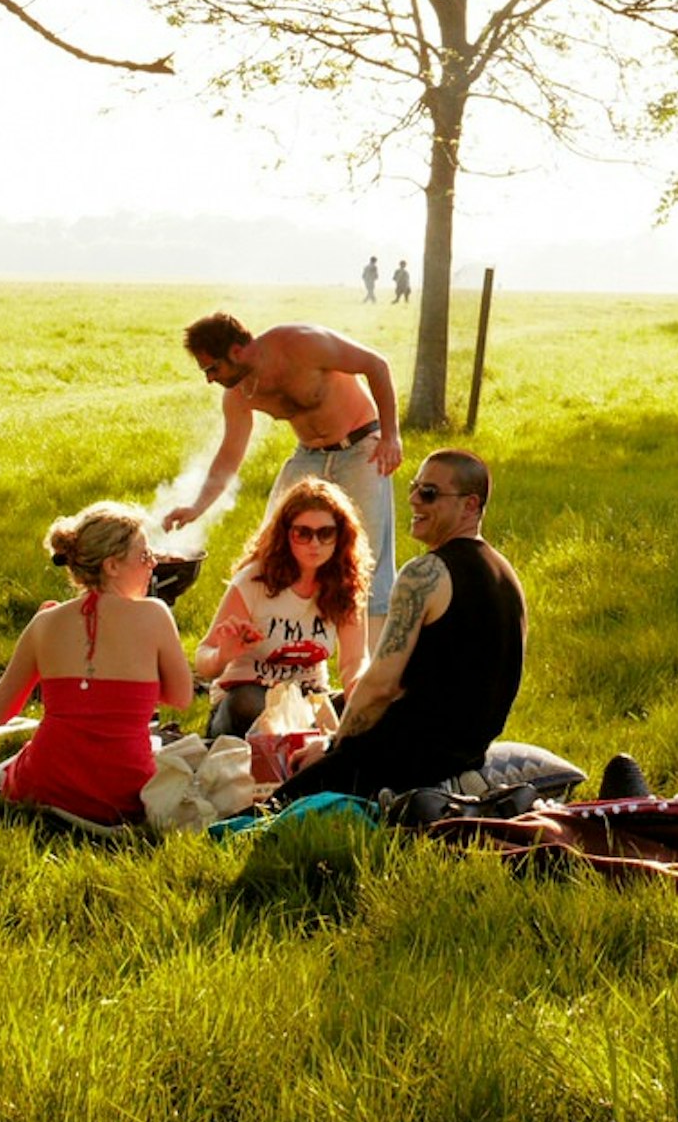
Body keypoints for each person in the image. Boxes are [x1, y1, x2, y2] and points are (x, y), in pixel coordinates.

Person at [275, 449, 525, 807]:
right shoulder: (506, 573)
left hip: (408, 758)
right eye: (414, 487)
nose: (412, 499)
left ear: (470, 506)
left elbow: (380, 684)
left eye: (429, 493)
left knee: (263, 815)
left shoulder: (425, 574)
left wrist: (333, 750)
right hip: (467, 752)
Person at [167, 313, 403, 629]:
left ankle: (369, 667)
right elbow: (230, 453)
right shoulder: (237, 394)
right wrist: (197, 506)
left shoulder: (301, 343)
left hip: (361, 447)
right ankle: (268, 642)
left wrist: (390, 436)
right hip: (308, 456)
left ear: (236, 351)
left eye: (213, 368)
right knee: (270, 545)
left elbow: (376, 365)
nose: (209, 378)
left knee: (366, 557)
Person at [0, 502, 194, 826]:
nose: (153, 564)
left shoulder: (44, 624)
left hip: (43, 788)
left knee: (13, 764)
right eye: (144, 556)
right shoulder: (154, 615)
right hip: (123, 798)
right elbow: (182, 698)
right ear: (112, 566)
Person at [193, 476, 370, 739]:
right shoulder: (255, 581)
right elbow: (203, 658)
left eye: (326, 533)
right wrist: (223, 655)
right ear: (285, 534)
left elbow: (354, 661)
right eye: (303, 533)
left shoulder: (346, 583)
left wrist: (359, 691)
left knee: (376, 708)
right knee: (252, 706)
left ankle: (315, 749)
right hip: (247, 697)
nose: (315, 543)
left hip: (309, 700)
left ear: (340, 535)